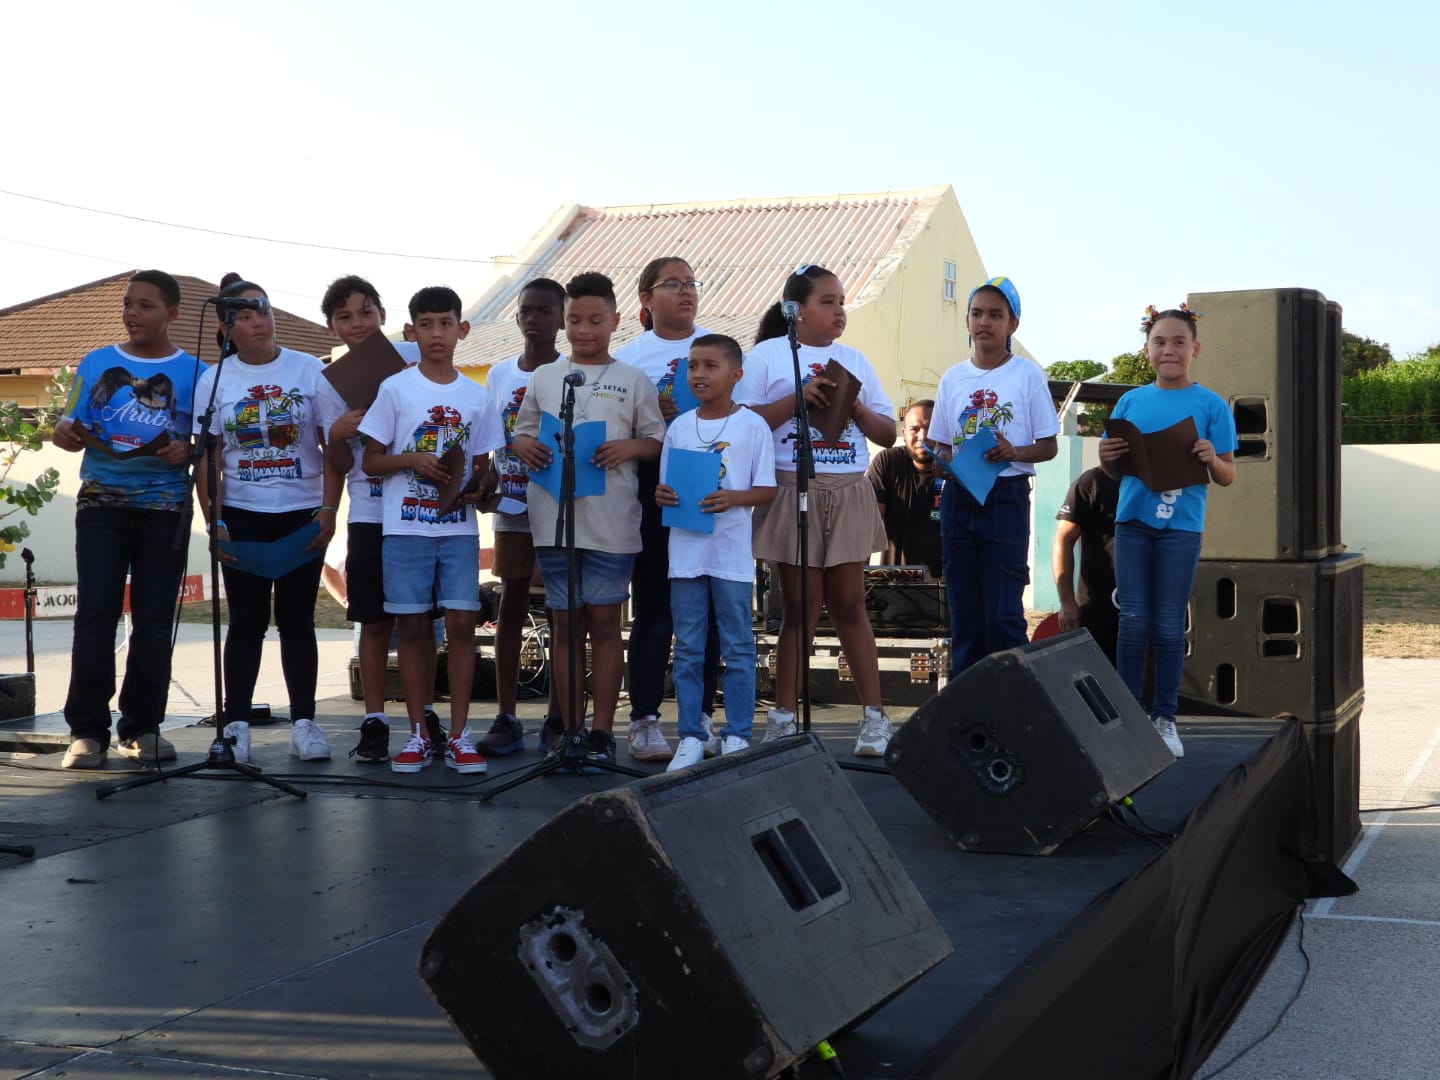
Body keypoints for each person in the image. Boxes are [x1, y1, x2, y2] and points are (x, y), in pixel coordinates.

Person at [736, 264, 896, 756]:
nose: (839, 310)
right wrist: (797, 399)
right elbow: (743, 421)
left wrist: (858, 412)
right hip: (792, 486)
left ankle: (874, 718)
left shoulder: (855, 360)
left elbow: (888, 433)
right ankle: (783, 717)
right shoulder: (767, 356)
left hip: (847, 486)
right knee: (800, 610)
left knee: (849, 603)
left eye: (841, 301)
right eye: (827, 301)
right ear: (795, 310)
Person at [511, 272, 665, 766]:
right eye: (575, 320)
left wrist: (628, 447)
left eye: (595, 320)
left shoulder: (632, 379)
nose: (583, 330)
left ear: (615, 321)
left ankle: (602, 731)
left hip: (612, 519)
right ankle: (570, 729)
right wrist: (524, 445)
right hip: (555, 516)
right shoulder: (546, 377)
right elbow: (522, 433)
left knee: (603, 621)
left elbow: (656, 440)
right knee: (563, 623)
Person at [53, 270, 200, 769]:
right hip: (102, 502)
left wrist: (188, 448)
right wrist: (66, 434)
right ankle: (86, 730)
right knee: (96, 613)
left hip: (166, 504)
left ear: (173, 314)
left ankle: (142, 727)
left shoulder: (196, 372)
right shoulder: (98, 362)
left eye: (146, 306)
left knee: (155, 620)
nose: (132, 314)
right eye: (128, 305)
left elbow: (206, 442)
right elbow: (65, 422)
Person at [193, 275, 341, 765]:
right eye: (247, 314)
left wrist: (328, 507)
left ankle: (305, 723)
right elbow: (208, 458)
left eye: (264, 309)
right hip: (242, 516)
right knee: (246, 620)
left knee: (297, 618)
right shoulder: (214, 380)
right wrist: (213, 520)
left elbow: (333, 444)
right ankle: (235, 726)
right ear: (227, 326)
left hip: (302, 511)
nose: (260, 320)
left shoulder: (308, 370)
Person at [359, 286, 505, 774]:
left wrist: (480, 486)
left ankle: (461, 735)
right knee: (413, 627)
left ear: (462, 329)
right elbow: (372, 460)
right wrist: (413, 459)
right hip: (404, 529)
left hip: (459, 530)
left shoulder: (476, 394)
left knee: (463, 626)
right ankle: (420, 733)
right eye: (426, 324)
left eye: (446, 323)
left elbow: (484, 466)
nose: (436, 334)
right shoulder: (396, 389)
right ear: (411, 331)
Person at [312, 275, 446, 765]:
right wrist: (338, 433)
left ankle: (424, 713)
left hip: (418, 509)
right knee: (373, 620)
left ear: (384, 316)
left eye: (365, 312)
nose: (357, 324)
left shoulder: (414, 360)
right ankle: (373, 719)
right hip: (369, 512)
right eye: (344, 317)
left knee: (421, 623)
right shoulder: (331, 383)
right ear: (331, 325)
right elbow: (339, 463)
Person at [1099, 305, 1237, 757]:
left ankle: (1164, 717)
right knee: (1133, 620)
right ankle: (1126, 715)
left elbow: (1227, 474)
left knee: (1167, 624)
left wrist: (1210, 457)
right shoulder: (1130, 401)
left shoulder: (1212, 405)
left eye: (1179, 342)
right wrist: (1107, 455)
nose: (1169, 350)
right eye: (1160, 342)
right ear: (1147, 350)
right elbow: (1115, 469)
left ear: (1195, 349)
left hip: (1181, 528)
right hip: (1133, 524)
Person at [614, 256, 721, 762]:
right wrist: (648, 416)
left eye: (691, 283)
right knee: (655, 607)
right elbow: (614, 432)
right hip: (651, 491)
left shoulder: (716, 350)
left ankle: (700, 718)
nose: (686, 292)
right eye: (673, 284)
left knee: (708, 609)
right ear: (646, 299)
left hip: (706, 489)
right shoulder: (629, 359)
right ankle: (644, 720)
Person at [655, 334, 776, 771]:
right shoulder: (680, 427)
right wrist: (663, 495)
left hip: (730, 557)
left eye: (710, 366)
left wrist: (734, 498)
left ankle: (737, 734)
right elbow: (666, 488)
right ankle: (690, 734)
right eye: (693, 366)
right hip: (686, 553)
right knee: (688, 646)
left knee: (738, 646)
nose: (699, 374)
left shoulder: (752, 426)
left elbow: (767, 490)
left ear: (736, 374)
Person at [929, 276, 1058, 677]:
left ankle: (1015, 705)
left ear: (1012, 325)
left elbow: (1049, 445)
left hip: (1006, 496)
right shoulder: (952, 377)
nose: (984, 322)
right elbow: (939, 446)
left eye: (996, 315)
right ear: (967, 321)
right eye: (977, 313)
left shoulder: (1027, 375)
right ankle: (967, 713)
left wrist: (1013, 452)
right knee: (964, 614)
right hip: (960, 495)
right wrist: (940, 460)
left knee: (1002, 614)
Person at [473, 277, 565, 757]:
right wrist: (487, 476)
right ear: (517, 317)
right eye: (527, 311)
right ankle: (507, 717)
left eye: (545, 311)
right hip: (511, 505)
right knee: (510, 604)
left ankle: (559, 717)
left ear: (561, 317)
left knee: (561, 609)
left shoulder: (572, 372)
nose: (535, 319)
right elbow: (491, 437)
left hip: (561, 506)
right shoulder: (500, 374)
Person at [1052, 465, 1121, 664]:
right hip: (1096, 608)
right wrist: (1066, 601)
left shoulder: (1157, 482)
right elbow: (1063, 540)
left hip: (1143, 609)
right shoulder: (1092, 481)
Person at [867, 399, 943, 577]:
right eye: (915, 429)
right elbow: (869, 526)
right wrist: (859, 584)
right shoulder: (888, 462)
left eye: (931, 429)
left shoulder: (956, 468)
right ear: (903, 433)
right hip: (896, 583)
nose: (923, 436)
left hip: (949, 583)